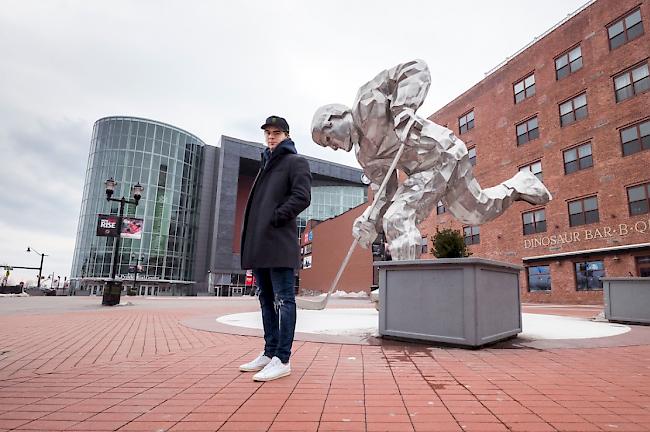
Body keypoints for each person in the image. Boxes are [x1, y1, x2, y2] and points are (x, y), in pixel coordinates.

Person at [311, 59, 551, 260]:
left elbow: (416, 68)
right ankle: (519, 185)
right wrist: (369, 219)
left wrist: (402, 110)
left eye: (328, 138)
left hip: (442, 151)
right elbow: (387, 190)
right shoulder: (365, 155)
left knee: (401, 217)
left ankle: (403, 288)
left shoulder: (366, 101)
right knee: (473, 213)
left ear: (335, 117)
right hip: (424, 173)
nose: (332, 147)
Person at [239, 115, 312, 381]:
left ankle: (283, 358)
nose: (271, 137)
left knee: (284, 300)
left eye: (277, 133)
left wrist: (277, 216)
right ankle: (269, 353)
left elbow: (302, 196)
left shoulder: (295, 162)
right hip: (260, 245)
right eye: (268, 133)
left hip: (278, 242)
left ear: (287, 135)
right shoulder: (265, 165)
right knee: (265, 299)